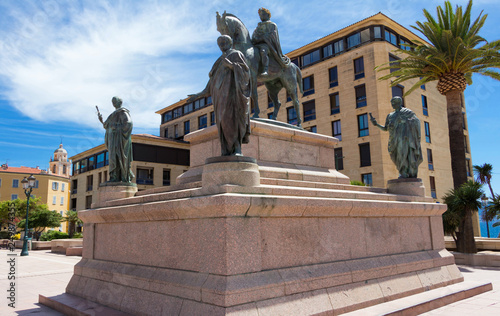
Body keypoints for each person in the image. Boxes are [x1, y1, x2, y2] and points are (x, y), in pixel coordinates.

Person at [189, 35, 251, 156]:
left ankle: (237, 149)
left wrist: (232, 66)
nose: (222, 45)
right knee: (222, 122)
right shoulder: (218, 61)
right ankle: (226, 150)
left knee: (232, 119)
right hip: (219, 98)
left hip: (232, 94)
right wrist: (198, 95)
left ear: (230, 42)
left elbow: (245, 72)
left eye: (224, 42)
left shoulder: (236, 54)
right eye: (220, 44)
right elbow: (212, 82)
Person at [370, 96, 423, 178]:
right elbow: (385, 128)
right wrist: (376, 124)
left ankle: (405, 172)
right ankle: (402, 171)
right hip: (394, 139)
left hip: (405, 138)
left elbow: (416, 121)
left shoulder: (407, 112)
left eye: (394, 103)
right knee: (396, 156)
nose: (393, 105)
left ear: (399, 103)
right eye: (392, 104)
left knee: (404, 154)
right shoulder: (390, 115)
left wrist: (404, 121)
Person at [97, 97, 134, 183]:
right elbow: (107, 126)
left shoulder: (123, 112)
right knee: (113, 159)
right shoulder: (113, 114)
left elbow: (128, 124)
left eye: (114, 101)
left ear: (119, 102)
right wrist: (101, 121)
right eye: (112, 102)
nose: (113, 103)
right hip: (113, 140)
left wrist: (116, 127)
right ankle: (114, 177)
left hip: (119, 140)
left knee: (119, 157)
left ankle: (120, 177)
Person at [251, 7, 290, 76]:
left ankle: (265, 69)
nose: (261, 16)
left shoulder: (272, 25)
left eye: (263, 14)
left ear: (268, 15)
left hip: (267, 45)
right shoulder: (258, 27)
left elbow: (272, 36)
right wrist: (257, 38)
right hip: (257, 44)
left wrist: (264, 37)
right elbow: (253, 37)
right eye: (260, 15)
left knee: (263, 51)